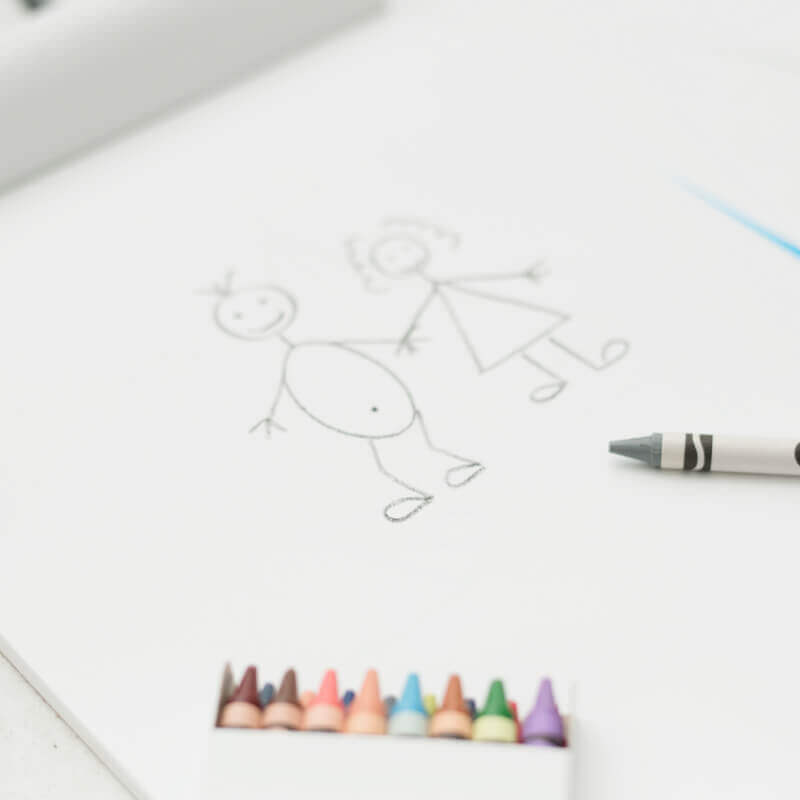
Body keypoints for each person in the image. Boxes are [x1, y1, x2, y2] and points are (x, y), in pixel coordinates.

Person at [201, 272, 483, 522]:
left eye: (263, 302)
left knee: (410, 434)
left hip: (382, 398)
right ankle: (413, 492)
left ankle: (450, 465)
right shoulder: (298, 364)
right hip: (358, 414)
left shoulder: (310, 354)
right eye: (239, 317)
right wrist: (271, 415)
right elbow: (288, 390)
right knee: (383, 453)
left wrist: (395, 341)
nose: (260, 315)